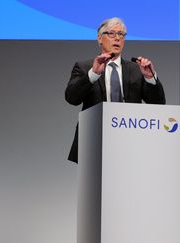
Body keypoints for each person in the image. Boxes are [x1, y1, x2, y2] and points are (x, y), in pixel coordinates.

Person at [65, 17, 166, 163]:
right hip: (94, 140)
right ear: (100, 38)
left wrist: (150, 78)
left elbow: (158, 104)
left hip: (130, 141)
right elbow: (71, 98)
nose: (117, 38)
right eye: (111, 34)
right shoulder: (85, 67)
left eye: (121, 34)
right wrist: (93, 74)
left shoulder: (136, 69)